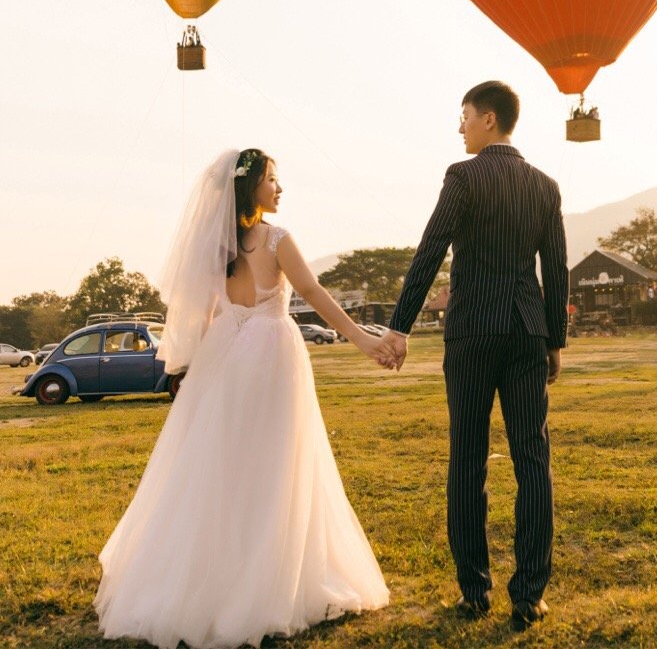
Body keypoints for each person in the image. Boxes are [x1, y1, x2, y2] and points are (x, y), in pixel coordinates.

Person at [94, 148, 392, 649]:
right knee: (275, 463)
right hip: (271, 353)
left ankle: (210, 577)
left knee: (219, 464)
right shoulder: (276, 239)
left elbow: (203, 312)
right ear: (250, 185)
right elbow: (314, 294)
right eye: (273, 180)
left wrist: (195, 370)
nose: (280, 188)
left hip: (225, 357)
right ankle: (266, 581)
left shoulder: (217, 246)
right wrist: (363, 339)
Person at [374, 81, 569, 632]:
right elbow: (556, 269)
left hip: (472, 334)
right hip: (526, 333)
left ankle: (474, 591)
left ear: (487, 120)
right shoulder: (544, 187)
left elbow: (431, 248)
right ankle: (529, 595)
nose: (459, 127)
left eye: (463, 117)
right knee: (533, 459)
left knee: (468, 459)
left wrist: (400, 326)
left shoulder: (463, 177)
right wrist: (554, 339)